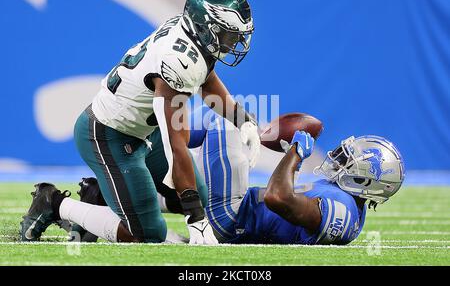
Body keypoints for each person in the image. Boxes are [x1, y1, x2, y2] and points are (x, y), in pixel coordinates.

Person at [19, 0, 260, 245]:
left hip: (142, 130)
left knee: (195, 196)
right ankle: (53, 203)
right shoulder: (177, 64)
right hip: (108, 135)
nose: (235, 41)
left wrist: (242, 120)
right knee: (148, 233)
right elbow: (176, 148)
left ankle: (106, 196)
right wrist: (197, 221)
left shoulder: (192, 36)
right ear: (205, 26)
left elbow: (207, 78)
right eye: (228, 34)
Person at [53, 106, 405, 245]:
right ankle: (59, 204)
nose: (338, 159)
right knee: (150, 236)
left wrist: (294, 153)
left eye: (349, 160)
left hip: (233, 218)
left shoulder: (343, 212)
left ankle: (149, 135)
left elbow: (276, 198)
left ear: (367, 181)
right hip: (234, 223)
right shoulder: (342, 197)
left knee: (223, 122)